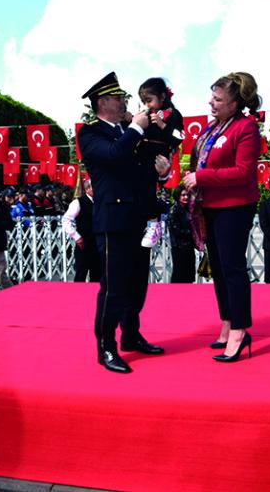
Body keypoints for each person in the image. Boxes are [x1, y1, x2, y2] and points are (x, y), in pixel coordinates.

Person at [78, 72, 170, 374]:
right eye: (118, 98)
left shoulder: (130, 131)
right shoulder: (90, 133)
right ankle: (106, 345)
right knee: (114, 287)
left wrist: (162, 173)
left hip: (138, 218)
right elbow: (114, 155)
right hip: (113, 220)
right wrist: (135, 128)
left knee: (137, 284)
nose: (124, 103)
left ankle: (131, 333)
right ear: (103, 102)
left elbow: (144, 167)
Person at [183, 71, 261, 363]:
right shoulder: (212, 127)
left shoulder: (246, 127)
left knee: (232, 268)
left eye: (217, 99)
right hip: (211, 205)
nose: (211, 102)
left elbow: (244, 172)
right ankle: (227, 322)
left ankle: (240, 330)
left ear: (235, 103)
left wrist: (201, 178)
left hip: (235, 206)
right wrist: (189, 184)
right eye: (212, 97)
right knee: (217, 267)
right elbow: (199, 163)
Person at [137, 77, 183, 248]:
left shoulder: (173, 114)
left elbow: (180, 136)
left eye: (149, 100)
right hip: (141, 153)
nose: (147, 105)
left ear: (162, 97)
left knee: (148, 187)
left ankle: (153, 223)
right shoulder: (146, 114)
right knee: (138, 188)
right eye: (144, 101)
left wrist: (164, 125)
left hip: (157, 156)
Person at [62, 178, 101, 282]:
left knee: (97, 274)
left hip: (97, 243)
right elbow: (66, 220)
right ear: (87, 189)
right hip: (84, 243)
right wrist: (76, 236)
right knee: (81, 273)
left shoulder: (100, 202)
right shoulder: (78, 202)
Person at [167, 185, 196, 283]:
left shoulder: (189, 209)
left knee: (189, 275)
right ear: (177, 196)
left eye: (187, 195)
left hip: (189, 246)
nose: (186, 197)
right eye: (183, 195)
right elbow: (176, 230)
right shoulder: (173, 210)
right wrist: (192, 232)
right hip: (179, 247)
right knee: (179, 274)